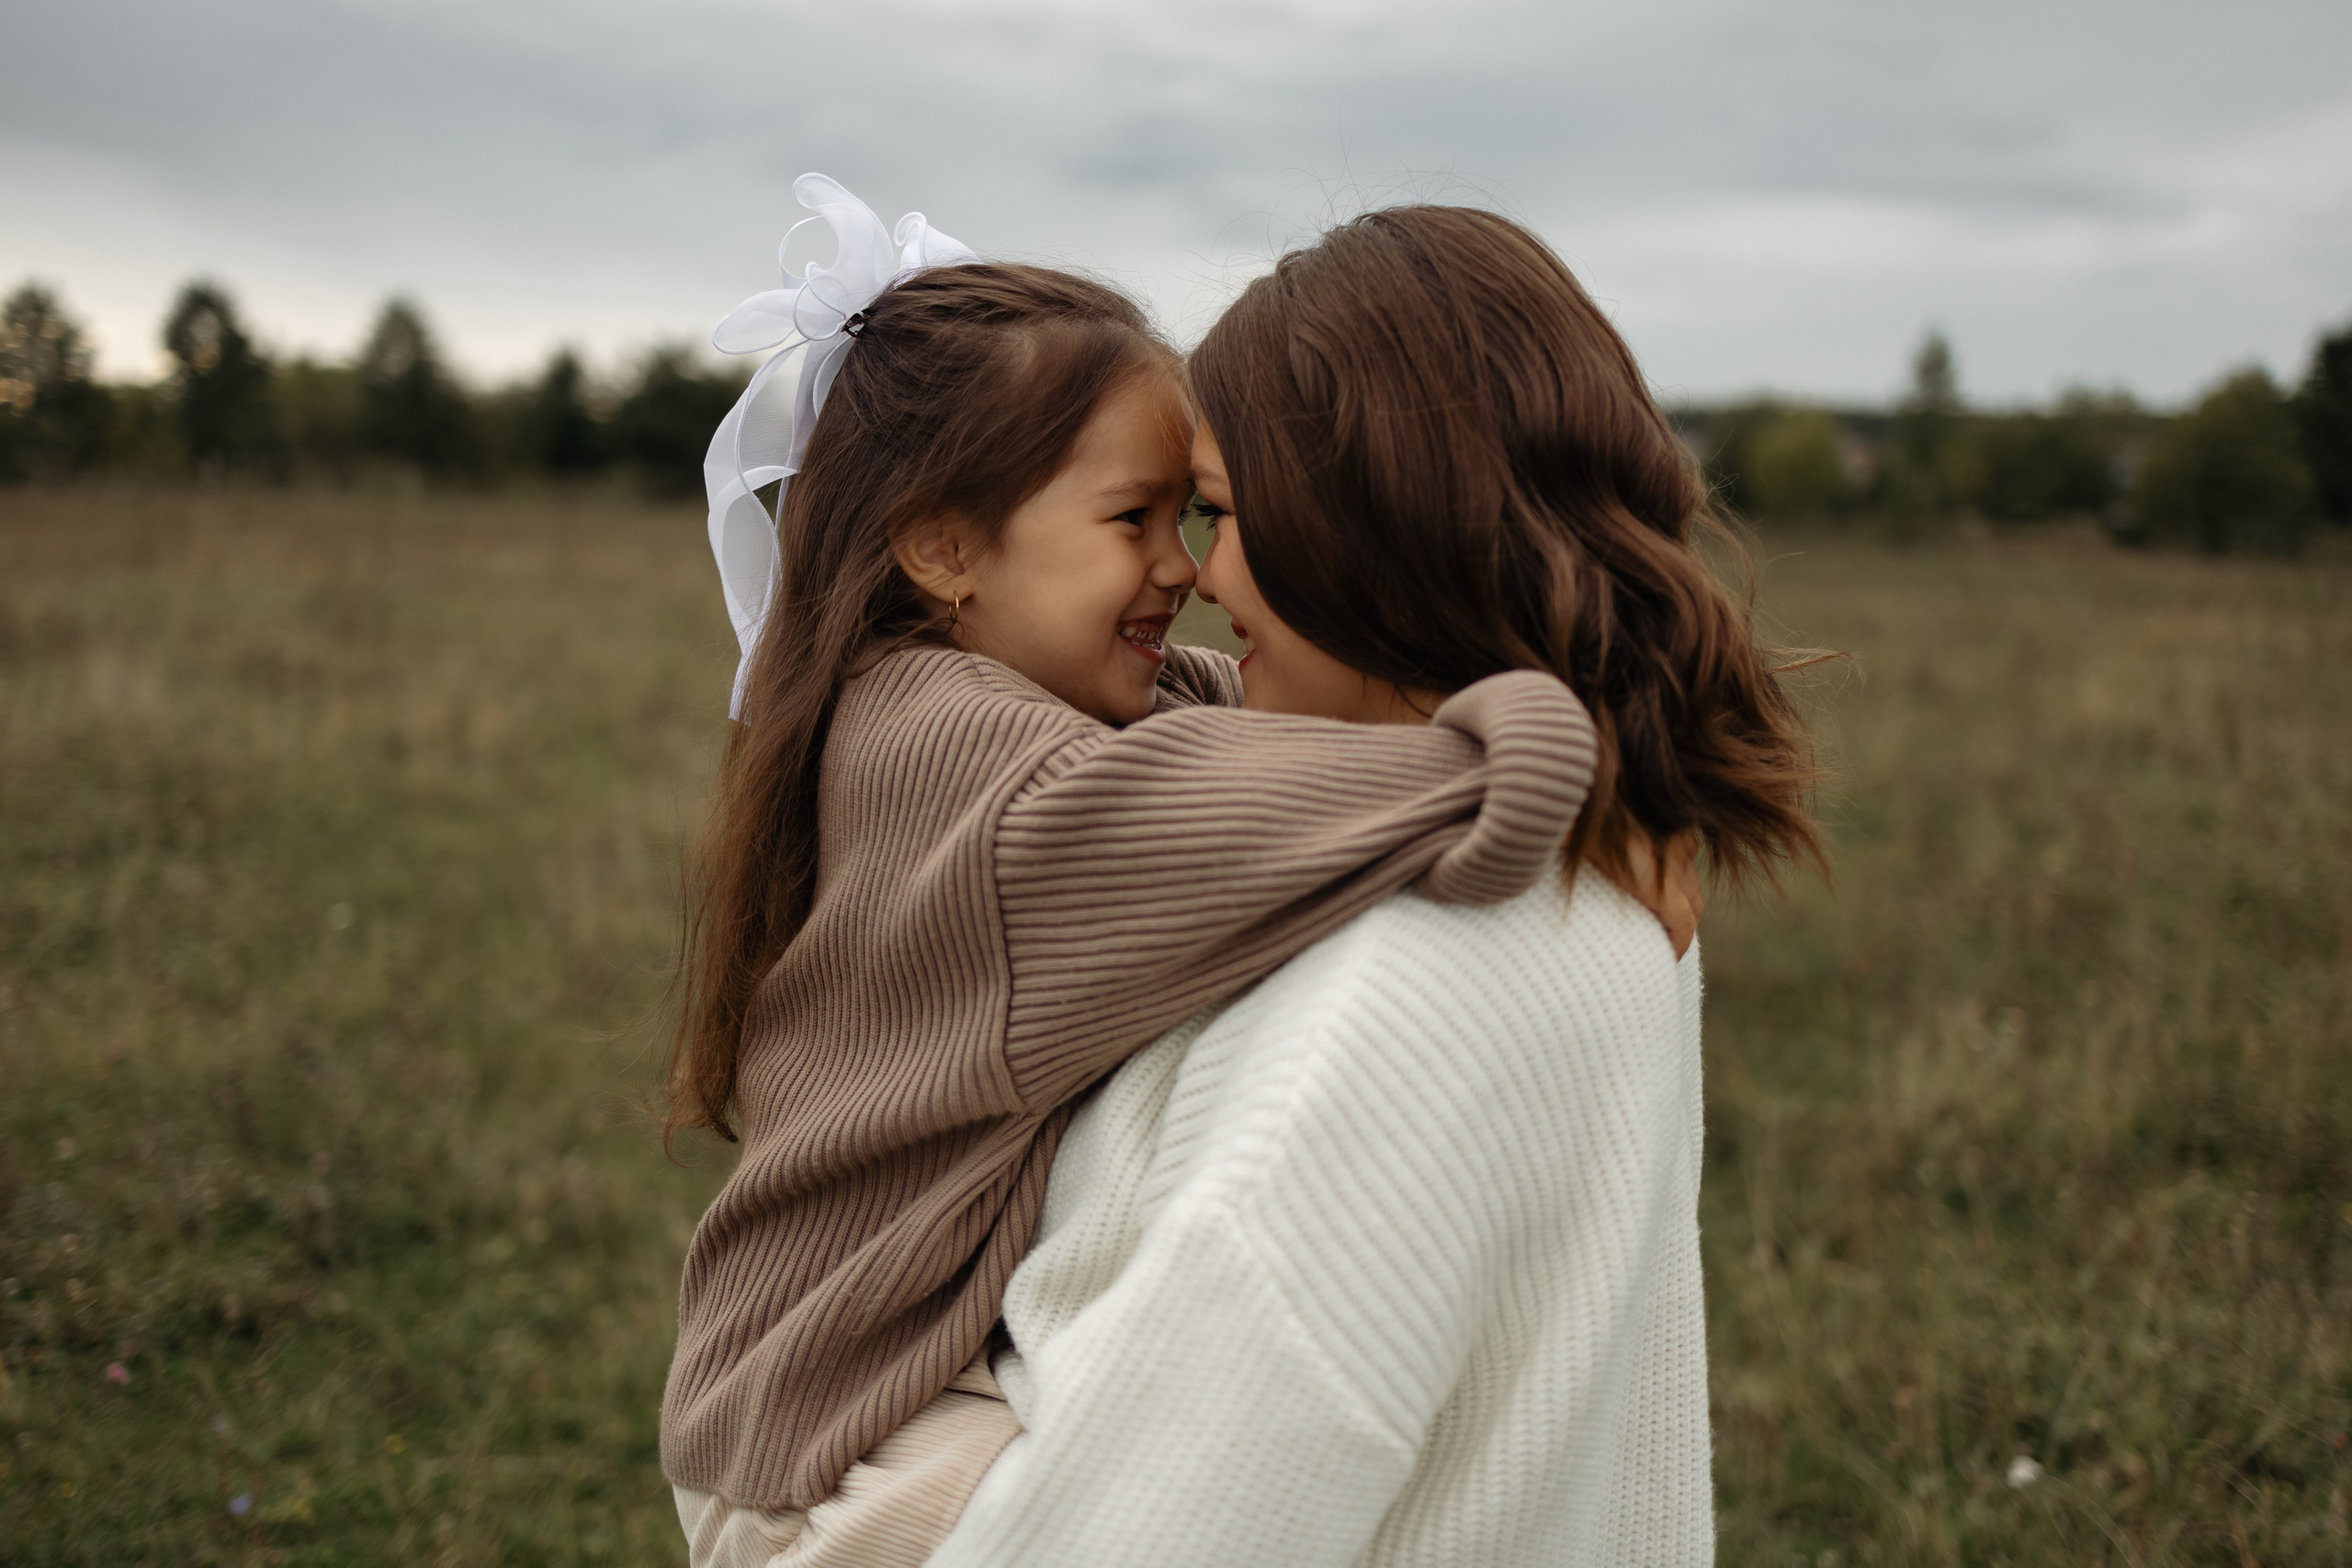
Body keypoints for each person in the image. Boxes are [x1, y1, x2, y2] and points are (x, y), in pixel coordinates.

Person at [661, 179, 1644, 1565]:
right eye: (1137, 520)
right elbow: (1251, 789)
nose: (1181, 569)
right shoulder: (990, 768)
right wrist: (1553, 748)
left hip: (869, 1395)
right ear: (944, 547)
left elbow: (1223, 715)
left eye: (1192, 516)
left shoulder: (973, 689)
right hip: (836, 1456)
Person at [927, 205, 1824, 1567]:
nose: (1198, 574)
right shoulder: (1605, 860)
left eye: (1223, 512)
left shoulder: (1393, 1005)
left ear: (1378, 524)